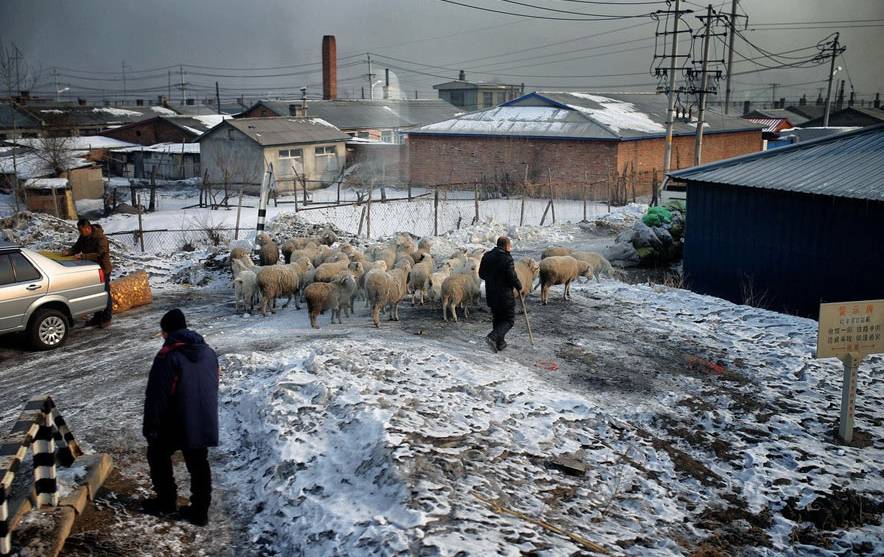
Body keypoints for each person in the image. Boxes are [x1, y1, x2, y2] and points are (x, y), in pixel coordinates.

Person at [142, 309, 219, 526]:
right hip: (203, 417)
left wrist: (151, 427)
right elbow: (213, 383)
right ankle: (200, 511)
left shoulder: (167, 356)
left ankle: (166, 502)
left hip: (175, 420)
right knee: (199, 463)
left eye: (163, 332)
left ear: (167, 331)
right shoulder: (207, 351)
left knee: (157, 455)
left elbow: (157, 395)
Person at [63, 218, 112, 328]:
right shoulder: (83, 237)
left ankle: (106, 318)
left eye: (81, 230)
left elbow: (100, 254)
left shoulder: (101, 238)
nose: (80, 233)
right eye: (79, 231)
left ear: (88, 228)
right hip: (90, 269)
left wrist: (83, 256)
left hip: (103, 269)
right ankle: (97, 318)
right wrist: (68, 252)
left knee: (105, 293)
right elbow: (77, 247)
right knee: (95, 293)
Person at [478, 236, 522, 353]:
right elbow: (511, 276)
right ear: (506, 246)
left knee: (497, 319)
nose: (510, 248)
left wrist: (492, 278)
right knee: (509, 320)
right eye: (509, 245)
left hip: (491, 294)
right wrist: (519, 285)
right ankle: (492, 337)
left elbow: (481, 274)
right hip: (504, 295)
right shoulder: (507, 258)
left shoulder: (487, 256)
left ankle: (500, 343)